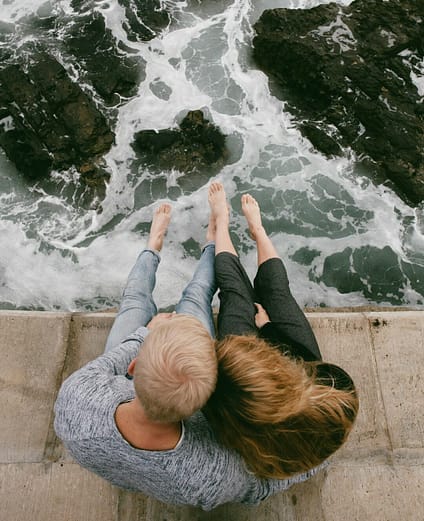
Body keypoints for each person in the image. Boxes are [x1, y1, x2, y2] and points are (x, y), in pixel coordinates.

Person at [54, 201, 326, 511]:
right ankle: (210, 242)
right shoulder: (211, 472)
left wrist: (145, 335)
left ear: (133, 365)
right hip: (162, 387)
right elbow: (261, 486)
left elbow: (105, 366)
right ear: (206, 403)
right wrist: (316, 458)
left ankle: (154, 245)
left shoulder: (75, 399)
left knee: (134, 303)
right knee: (196, 294)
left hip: (132, 382)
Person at [203, 182, 359, 479]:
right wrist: (269, 328)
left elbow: (218, 406)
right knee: (277, 291)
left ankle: (221, 223)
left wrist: (258, 332)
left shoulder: (239, 412)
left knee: (236, 293)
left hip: (255, 387)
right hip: (303, 362)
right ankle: (257, 231)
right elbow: (302, 359)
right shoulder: (334, 395)